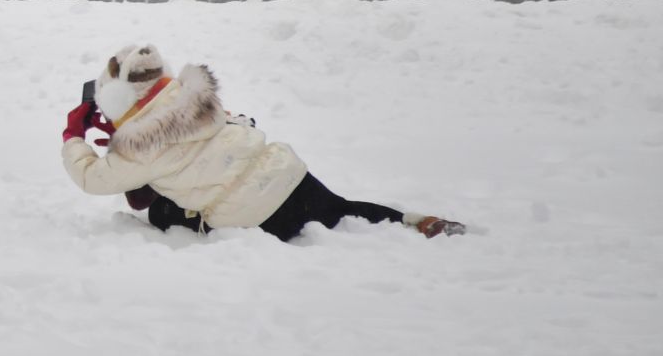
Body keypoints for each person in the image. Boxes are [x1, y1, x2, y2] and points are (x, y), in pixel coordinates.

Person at [60, 43, 464, 241]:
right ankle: (416, 222)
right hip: (285, 172)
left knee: (163, 212)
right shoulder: (196, 97)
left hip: (252, 214)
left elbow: (93, 179)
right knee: (340, 210)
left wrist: (74, 136)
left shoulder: (139, 144)